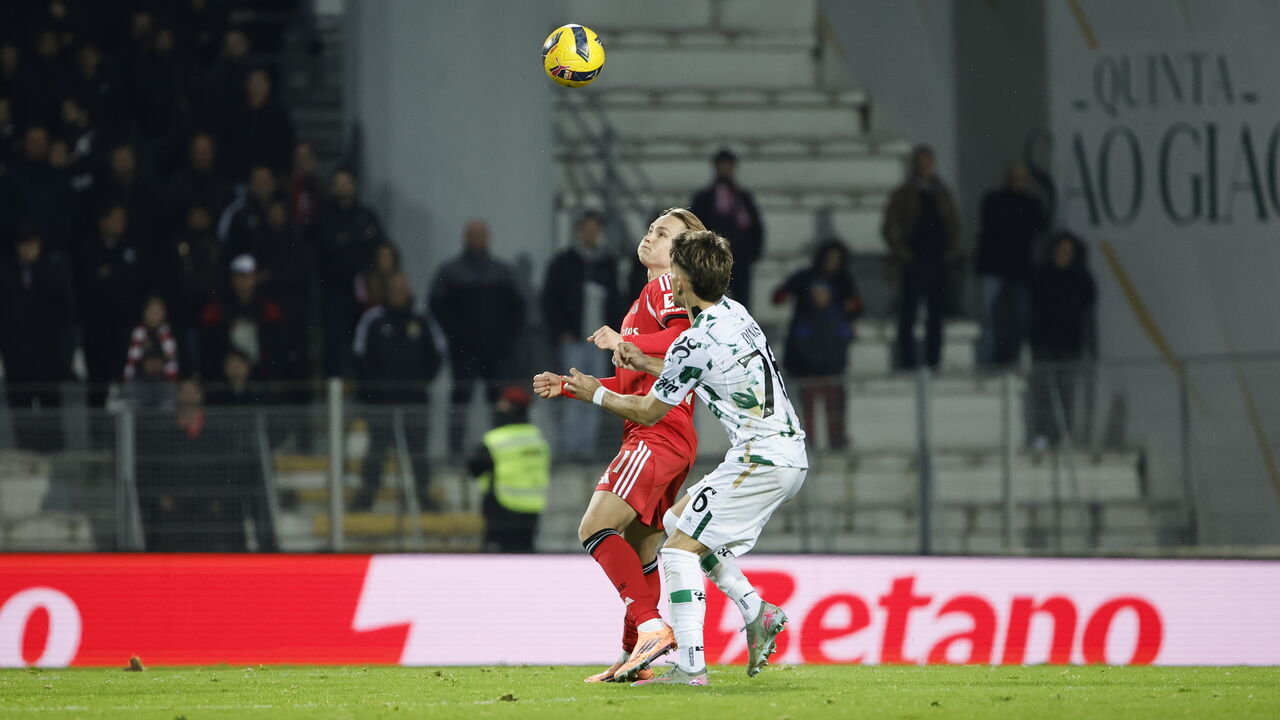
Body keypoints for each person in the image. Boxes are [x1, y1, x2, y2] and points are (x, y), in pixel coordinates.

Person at [567, 229, 807, 686]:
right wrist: (644, 363)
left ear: (680, 281)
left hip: (763, 460)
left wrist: (594, 392)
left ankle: (691, 667)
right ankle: (756, 609)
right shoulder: (735, 314)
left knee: (677, 552)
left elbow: (650, 409)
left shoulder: (694, 341)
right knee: (678, 524)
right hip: (781, 452)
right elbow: (697, 368)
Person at [532, 208, 707, 684]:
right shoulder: (646, 297)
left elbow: (682, 339)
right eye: (651, 227)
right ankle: (635, 656)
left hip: (657, 431)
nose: (651, 235)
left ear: (682, 252)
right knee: (641, 549)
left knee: (594, 526)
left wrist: (622, 339)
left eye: (664, 233)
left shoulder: (667, 287)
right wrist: (573, 386)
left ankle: (651, 628)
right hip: (672, 435)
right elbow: (632, 376)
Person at [431, 220, 524, 457]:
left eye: (481, 234)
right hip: (464, 350)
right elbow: (437, 305)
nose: (477, 238)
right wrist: (456, 334)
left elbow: (518, 307)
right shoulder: (451, 271)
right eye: (472, 234)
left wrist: (506, 336)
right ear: (465, 237)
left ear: (488, 237)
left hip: (497, 350)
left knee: (500, 402)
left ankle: (500, 451)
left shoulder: (502, 272)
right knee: (461, 400)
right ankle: (455, 451)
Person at [352, 272, 443, 511]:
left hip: (415, 401)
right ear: (387, 291)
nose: (398, 292)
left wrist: (421, 382)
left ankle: (423, 496)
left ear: (408, 290)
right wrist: (375, 389)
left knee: (418, 451)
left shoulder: (422, 320)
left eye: (402, 288)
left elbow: (437, 353)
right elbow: (360, 356)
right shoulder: (372, 320)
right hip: (381, 403)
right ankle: (367, 496)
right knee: (377, 450)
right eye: (393, 288)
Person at [540, 210, 620, 460]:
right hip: (573, 340)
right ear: (578, 231)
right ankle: (568, 447)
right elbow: (550, 300)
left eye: (595, 229)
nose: (591, 233)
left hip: (598, 342)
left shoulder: (607, 264)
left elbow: (617, 301)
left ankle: (585, 448)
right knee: (572, 392)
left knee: (595, 394)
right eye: (587, 228)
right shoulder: (563, 263)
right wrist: (562, 331)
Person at [773, 239, 863, 449]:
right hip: (807, 366)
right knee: (808, 407)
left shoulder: (842, 286)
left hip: (830, 363)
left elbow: (856, 309)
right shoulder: (804, 285)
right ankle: (808, 443)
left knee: (834, 406)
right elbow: (779, 296)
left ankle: (836, 440)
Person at [882, 144, 962, 371]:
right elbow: (889, 226)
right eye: (920, 162)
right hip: (914, 260)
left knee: (936, 313)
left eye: (927, 161)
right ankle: (907, 361)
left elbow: (954, 224)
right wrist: (902, 253)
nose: (924, 166)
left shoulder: (942, 191)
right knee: (908, 312)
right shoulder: (904, 192)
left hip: (938, 259)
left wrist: (951, 251)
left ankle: (933, 361)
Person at [0, 231, 74, 452]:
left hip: (46, 352)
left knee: (50, 400)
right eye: (24, 244)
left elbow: (64, 308)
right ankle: (24, 447)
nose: (29, 249)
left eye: (33, 244)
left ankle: (54, 447)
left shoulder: (52, 271)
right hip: (16, 352)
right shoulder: (5, 272)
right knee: (20, 401)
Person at [310, 167, 384, 377]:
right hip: (333, 289)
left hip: (363, 291)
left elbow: (376, 244)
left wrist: (345, 241)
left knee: (363, 341)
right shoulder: (323, 215)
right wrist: (355, 241)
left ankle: (363, 387)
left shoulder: (366, 214)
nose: (343, 186)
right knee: (333, 342)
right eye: (339, 182)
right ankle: (333, 391)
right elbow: (325, 245)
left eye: (347, 181)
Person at [1028, 231, 1096, 448]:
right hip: (1043, 343)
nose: (1063, 256)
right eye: (1060, 251)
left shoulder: (1082, 281)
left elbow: (1087, 313)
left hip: (1069, 344)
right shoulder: (1040, 276)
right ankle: (1041, 434)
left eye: (1068, 252)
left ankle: (1063, 434)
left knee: (1066, 392)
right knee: (1042, 391)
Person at [976, 164, 1047, 366]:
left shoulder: (1033, 203)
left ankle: (1011, 363)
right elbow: (995, 226)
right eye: (1014, 176)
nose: (1018, 180)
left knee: (1021, 321)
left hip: (1021, 271)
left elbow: (1036, 228)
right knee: (989, 320)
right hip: (994, 268)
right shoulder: (993, 200)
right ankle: (989, 366)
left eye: (1022, 176)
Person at [77, 203, 146, 407]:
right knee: (97, 383)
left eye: (123, 219)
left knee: (122, 380)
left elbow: (134, 281)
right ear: (103, 220)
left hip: (123, 328)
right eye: (116, 218)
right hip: (96, 328)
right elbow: (89, 283)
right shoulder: (88, 248)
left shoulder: (129, 246)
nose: (120, 224)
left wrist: (110, 273)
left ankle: (121, 435)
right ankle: (97, 432)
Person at [468, 387, 550, 553]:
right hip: (532, 510)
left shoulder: (495, 439)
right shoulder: (538, 439)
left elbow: (474, 468)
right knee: (525, 559)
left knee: (498, 562)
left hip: (501, 509)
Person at [690, 148, 764, 309]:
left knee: (740, 304)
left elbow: (755, 228)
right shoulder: (705, 199)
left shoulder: (742, 198)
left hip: (738, 259)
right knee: (708, 303)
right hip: (711, 260)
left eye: (727, 165)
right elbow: (694, 227)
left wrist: (749, 254)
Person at [197, 253, 286, 380]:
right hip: (225, 372)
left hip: (262, 374)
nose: (242, 281)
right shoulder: (217, 307)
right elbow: (208, 345)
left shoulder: (268, 307)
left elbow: (277, 346)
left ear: (255, 277)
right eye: (238, 276)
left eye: (246, 276)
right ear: (232, 279)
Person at [122, 295, 179, 382]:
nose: (154, 313)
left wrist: (162, 363)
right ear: (145, 312)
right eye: (152, 309)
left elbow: (173, 362)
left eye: (158, 310)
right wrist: (143, 365)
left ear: (164, 313)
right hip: (139, 380)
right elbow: (131, 363)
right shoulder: (136, 333)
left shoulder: (170, 333)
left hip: (164, 380)